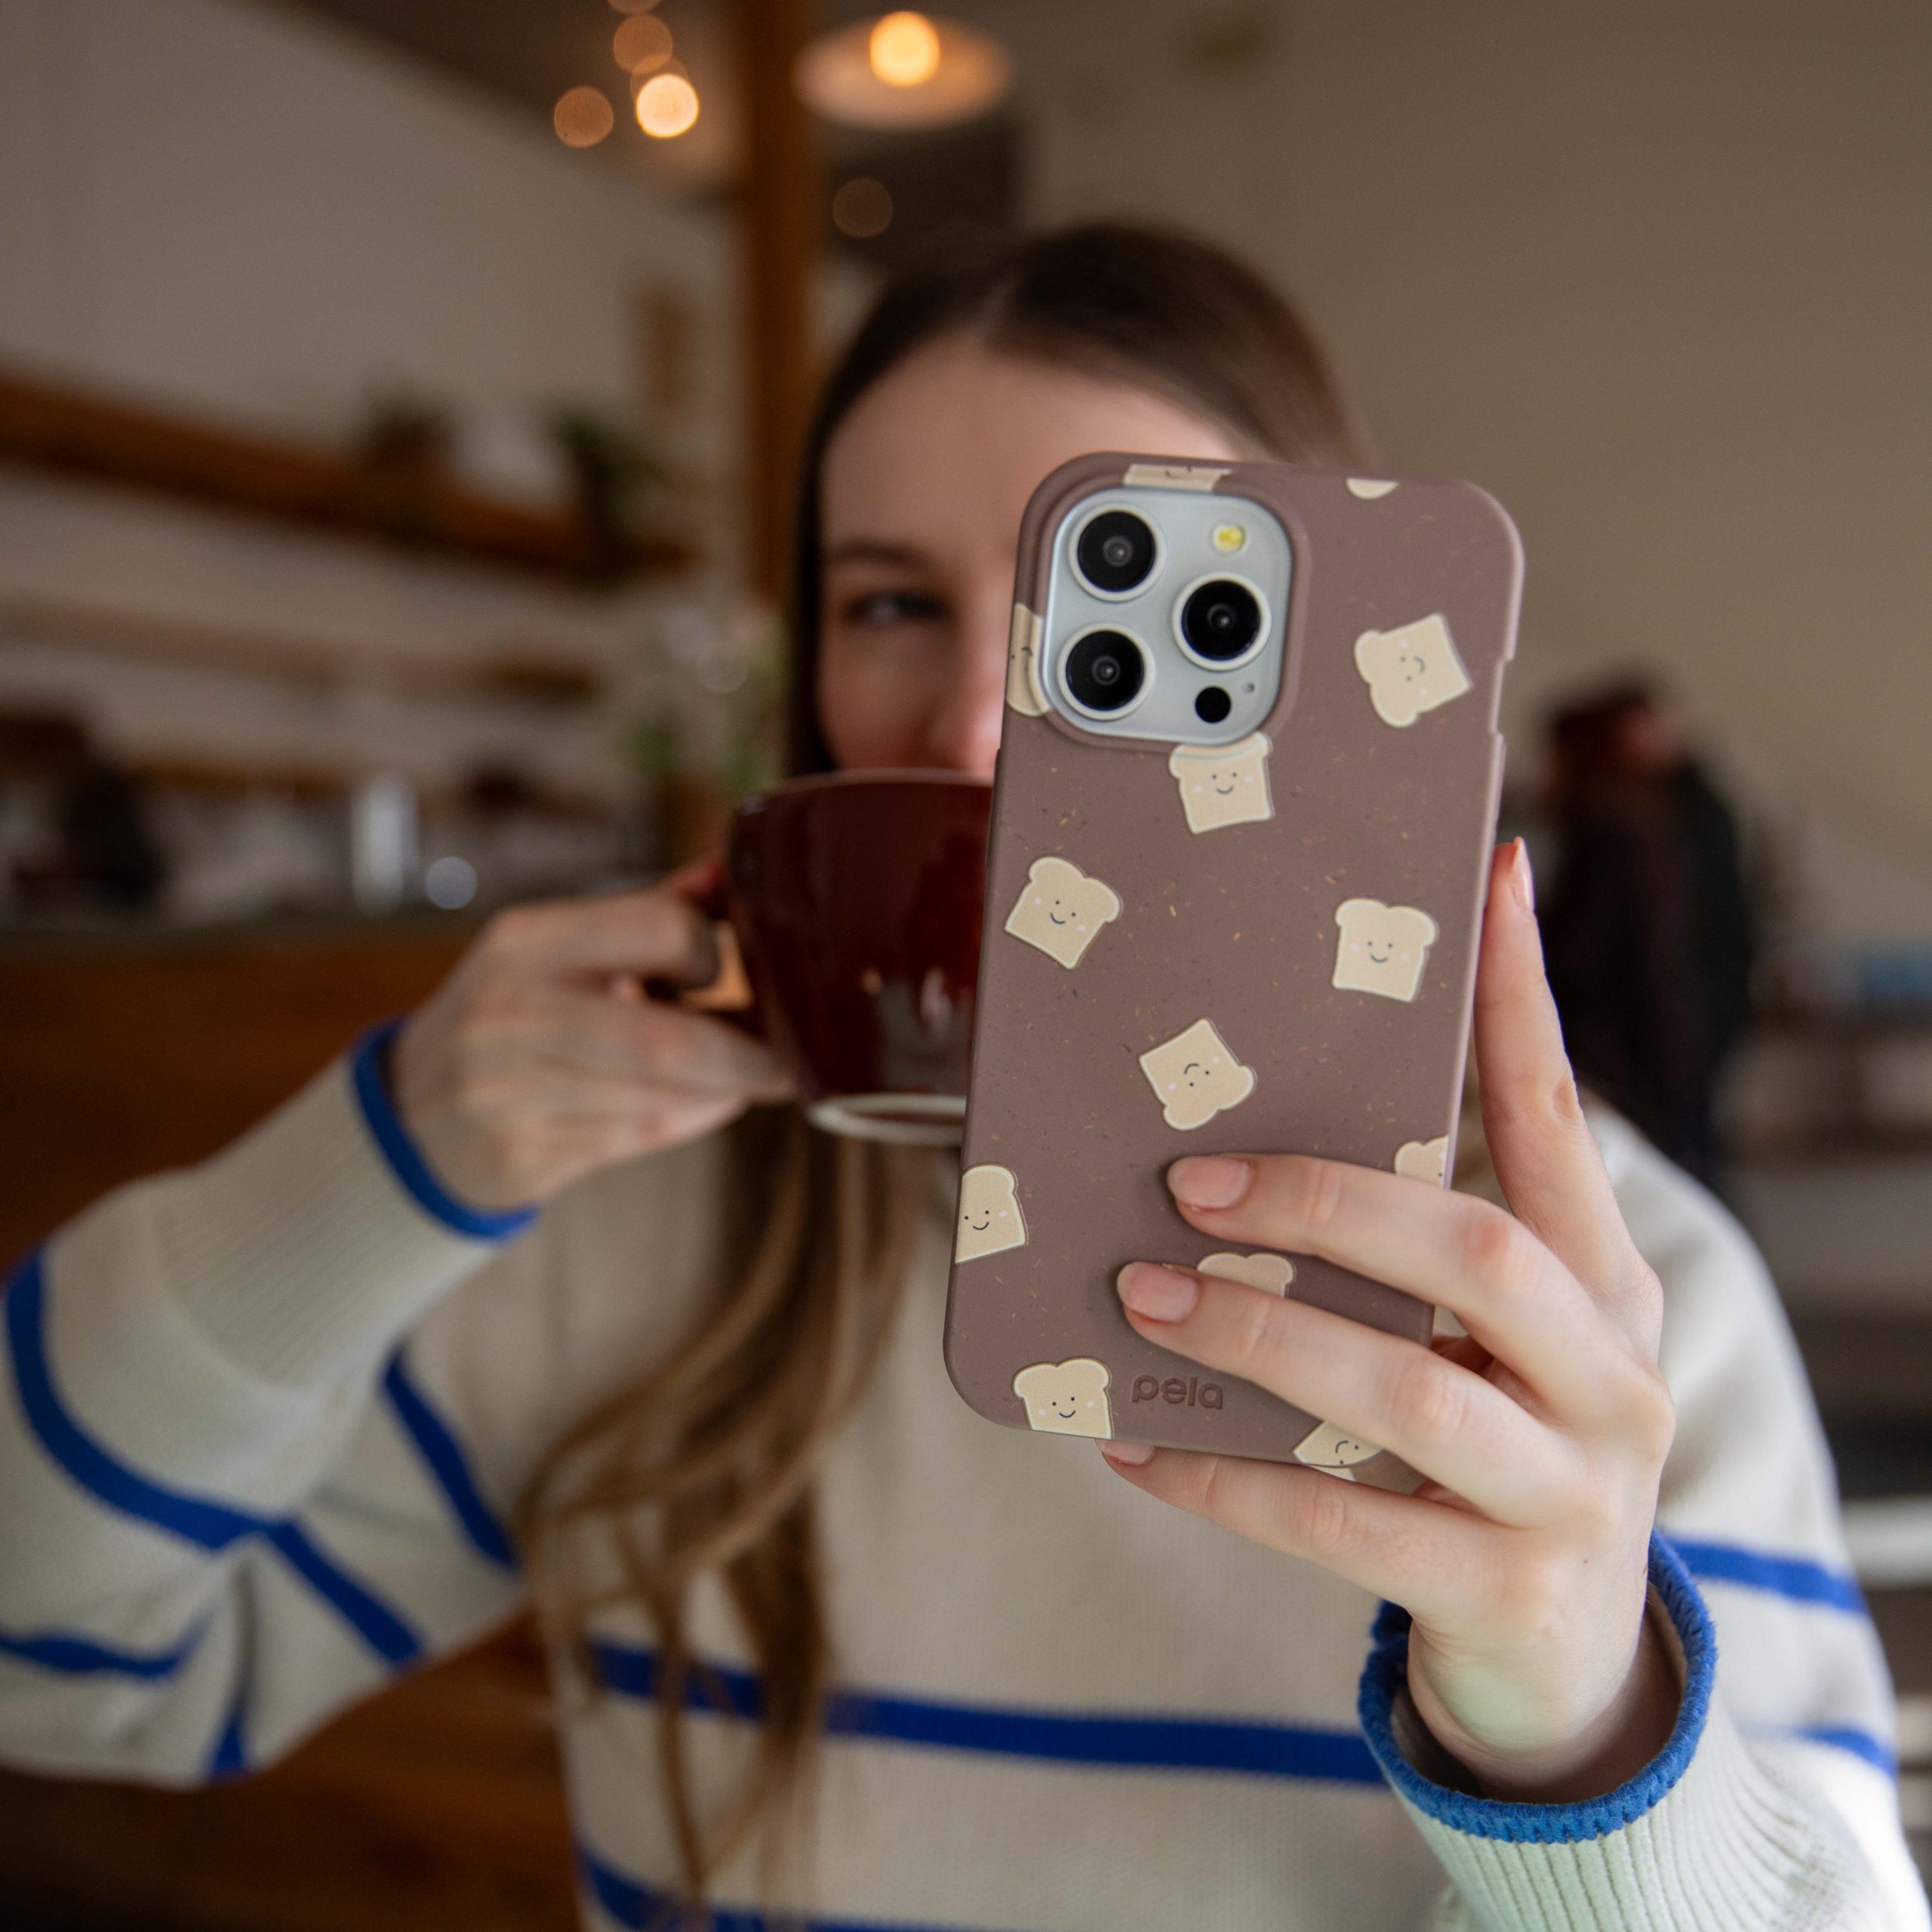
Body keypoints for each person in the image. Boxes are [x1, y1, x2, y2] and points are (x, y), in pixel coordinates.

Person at [0, 226, 1919, 1932]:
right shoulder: (634, 1218)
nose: (981, 722)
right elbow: (58, 1658)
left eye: (1153, 617)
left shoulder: (1581, 1318)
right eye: (891, 602)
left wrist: (1582, 1735)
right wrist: (379, 1166)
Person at [1540, 681, 1756, 1187]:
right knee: (1685, 1169)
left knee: (1664, 1173)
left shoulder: (1622, 827)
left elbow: (1621, 951)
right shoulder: (1661, 816)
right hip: (1683, 1025)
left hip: (1649, 1037)